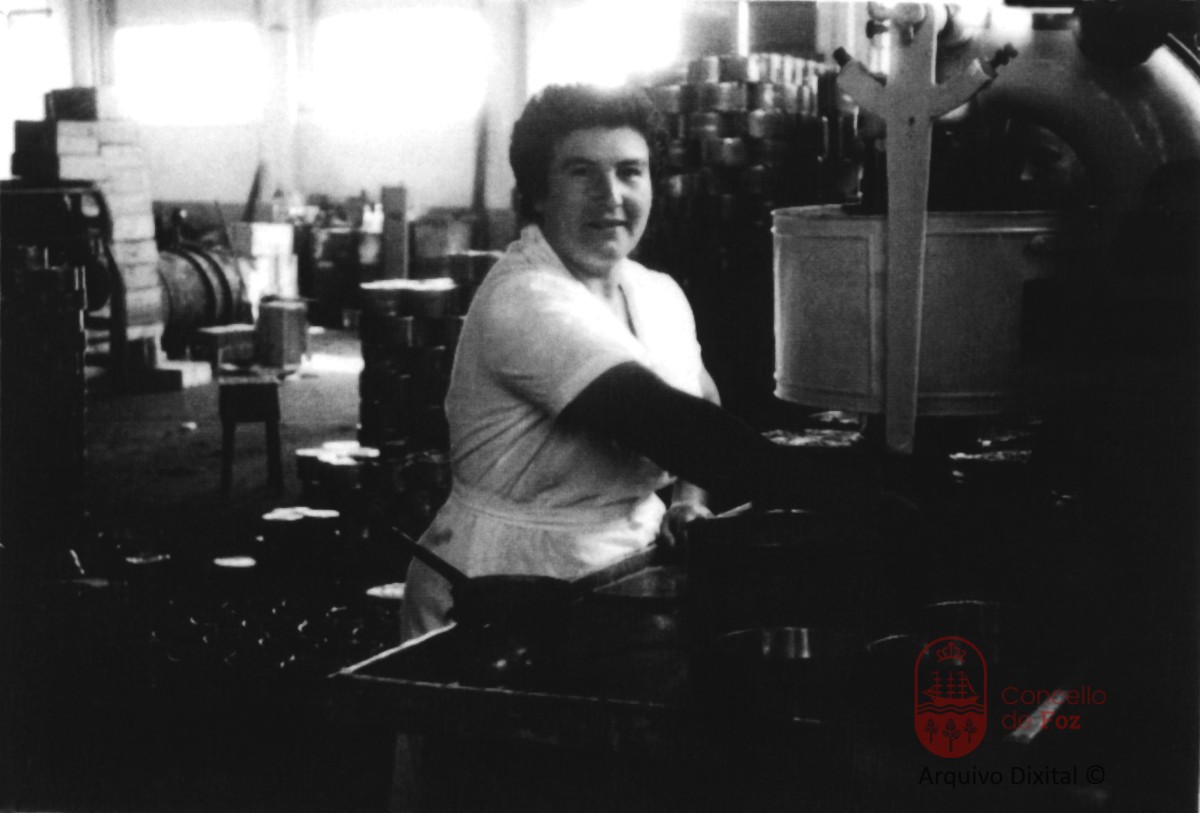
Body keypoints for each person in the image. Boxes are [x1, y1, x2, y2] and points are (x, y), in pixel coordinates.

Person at [399, 83, 874, 642]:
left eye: (630, 171)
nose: (611, 195)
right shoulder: (523, 297)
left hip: (627, 567)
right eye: (581, 172)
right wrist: (855, 502)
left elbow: (702, 401)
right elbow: (665, 423)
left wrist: (690, 501)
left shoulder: (656, 291)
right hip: (502, 580)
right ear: (537, 194)